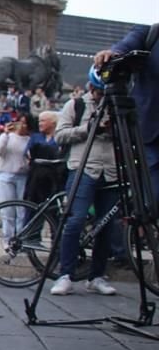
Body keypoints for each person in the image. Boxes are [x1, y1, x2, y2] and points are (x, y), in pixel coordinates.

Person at [50, 70, 118, 296]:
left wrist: (115, 127)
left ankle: (97, 276)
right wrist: (89, 129)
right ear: (91, 88)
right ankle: (65, 275)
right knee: (75, 220)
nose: (101, 97)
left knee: (106, 225)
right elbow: (60, 135)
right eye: (98, 92)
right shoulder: (76, 105)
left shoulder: (116, 105)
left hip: (111, 170)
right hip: (83, 168)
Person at [94, 23, 159, 205]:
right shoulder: (150, 34)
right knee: (153, 198)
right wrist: (112, 53)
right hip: (151, 133)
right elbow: (125, 46)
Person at [0, 114, 32, 247]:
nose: (22, 126)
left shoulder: (30, 139)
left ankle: (20, 239)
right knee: (7, 209)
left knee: (21, 210)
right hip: (5, 174)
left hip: (23, 175)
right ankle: (7, 239)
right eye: (20, 122)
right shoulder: (7, 137)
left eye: (25, 123)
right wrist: (5, 135)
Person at [24, 111, 62, 206]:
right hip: (36, 176)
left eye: (43, 121)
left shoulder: (60, 137)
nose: (40, 124)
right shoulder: (35, 137)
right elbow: (27, 154)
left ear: (53, 123)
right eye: (39, 121)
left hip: (55, 177)